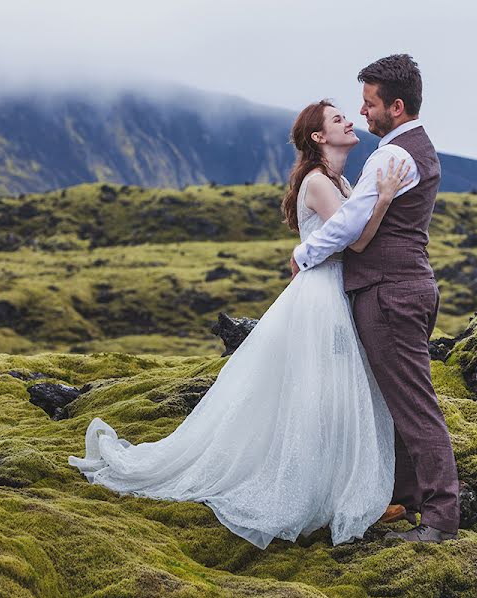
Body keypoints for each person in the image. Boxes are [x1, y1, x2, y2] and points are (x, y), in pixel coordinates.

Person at [68, 100, 412, 550]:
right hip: (321, 296)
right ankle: (322, 494)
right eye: (337, 119)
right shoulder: (319, 183)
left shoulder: (338, 180)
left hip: (330, 292)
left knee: (329, 393)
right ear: (318, 137)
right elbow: (359, 241)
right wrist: (384, 196)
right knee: (318, 394)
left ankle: (337, 489)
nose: (349, 120)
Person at [291, 54, 461, 543]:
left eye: (369, 104)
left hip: (389, 293)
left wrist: (304, 256)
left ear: (397, 106)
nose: (362, 113)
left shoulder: (392, 156)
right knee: (397, 400)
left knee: (413, 404)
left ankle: (440, 518)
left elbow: (346, 225)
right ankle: (407, 499)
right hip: (406, 286)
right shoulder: (417, 149)